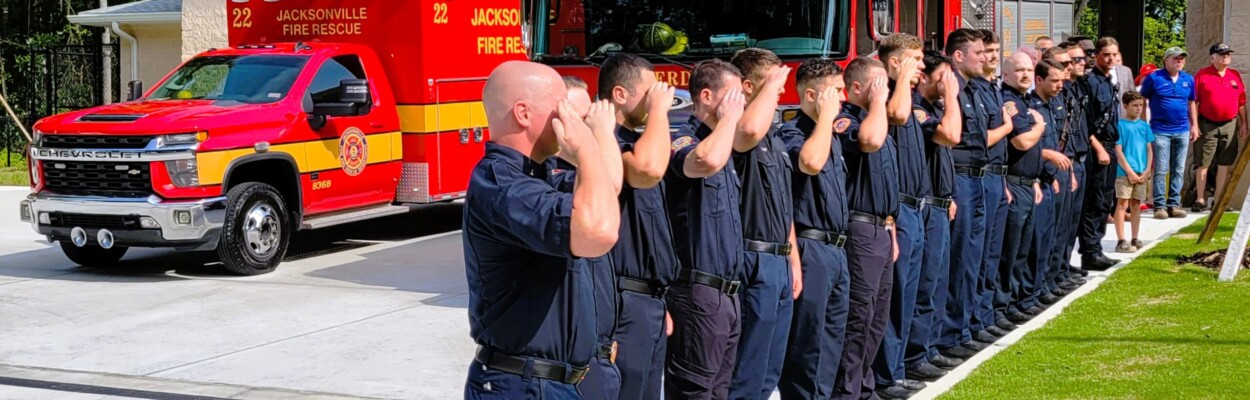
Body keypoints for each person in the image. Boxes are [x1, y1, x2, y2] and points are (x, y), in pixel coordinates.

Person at [463, 61, 620, 400]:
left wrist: (595, 143)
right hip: (523, 384)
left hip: (549, 383)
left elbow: (609, 188)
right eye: (559, 105)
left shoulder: (538, 176)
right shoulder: (501, 184)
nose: (568, 117)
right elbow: (598, 231)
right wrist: (588, 147)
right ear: (523, 113)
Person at [595, 53, 679, 400]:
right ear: (619, 94)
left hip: (650, 300)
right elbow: (647, 169)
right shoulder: (606, 140)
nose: (657, 97)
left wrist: (661, 301)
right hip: (622, 300)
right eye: (649, 92)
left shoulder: (639, 140)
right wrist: (660, 109)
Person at [664, 58, 747, 400]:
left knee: (719, 392)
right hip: (697, 292)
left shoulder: (722, 143)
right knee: (694, 391)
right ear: (708, 96)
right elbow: (703, 162)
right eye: (734, 96)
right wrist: (728, 121)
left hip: (727, 294)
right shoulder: (681, 135)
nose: (741, 105)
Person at [728, 48, 801, 400]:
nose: (782, 91)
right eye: (773, 83)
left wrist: (793, 260)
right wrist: (771, 85)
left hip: (779, 258)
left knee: (770, 366)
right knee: (748, 365)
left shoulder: (775, 136)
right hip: (752, 257)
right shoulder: (741, 130)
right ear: (747, 86)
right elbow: (748, 130)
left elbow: (783, 205)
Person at [548, 76, 627, 400]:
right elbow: (611, 184)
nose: (587, 129)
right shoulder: (553, 174)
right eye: (580, 121)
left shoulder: (583, 170)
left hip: (601, 345)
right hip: (574, 359)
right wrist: (602, 135)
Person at [778, 58, 851, 400]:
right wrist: (824, 119)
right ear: (812, 95)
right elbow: (809, 162)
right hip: (811, 247)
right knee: (808, 344)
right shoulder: (793, 132)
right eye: (836, 91)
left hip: (836, 249)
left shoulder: (829, 134)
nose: (844, 97)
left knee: (832, 340)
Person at [870, 33, 930, 400]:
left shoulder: (908, 94)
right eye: (914, 60)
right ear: (894, 62)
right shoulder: (887, 96)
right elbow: (898, 114)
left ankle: (901, 364)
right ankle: (887, 373)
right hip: (897, 209)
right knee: (894, 295)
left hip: (915, 204)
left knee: (910, 290)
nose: (921, 67)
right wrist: (901, 78)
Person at [831, 57, 894, 400]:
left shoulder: (878, 117)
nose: (885, 92)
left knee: (877, 316)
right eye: (878, 85)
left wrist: (892, 229)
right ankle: (846, 390)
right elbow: (868, 141)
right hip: (860, 228)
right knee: (858, 315)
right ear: (856, 88)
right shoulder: (846, 120)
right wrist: (878, 103)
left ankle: (864, 388)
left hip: (881, 227)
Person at [903, 50, 962, 383]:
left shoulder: (935, 109)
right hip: (924, 205)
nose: (949, 83)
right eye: (943, 76)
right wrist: (952, 98)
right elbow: (950, 136)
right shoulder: (919, 111)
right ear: (925, 77)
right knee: (923, 285)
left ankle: (927, 347)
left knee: (937, 282)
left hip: (940, 201)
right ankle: (913, 355)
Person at [937, 28, 990, 366]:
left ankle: (964, 326)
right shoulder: (950, 90)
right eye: (979, 53)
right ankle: (948, 334)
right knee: (956, 260)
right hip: (958, 178)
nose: (984, 59)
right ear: (959, 56)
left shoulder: (975, 90)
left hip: (978, 178)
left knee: (972, 258)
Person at [994, 54, 1048, 325]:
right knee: (1009, 250)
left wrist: (1036, 180)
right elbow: (1022, 142)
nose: (1026, 74)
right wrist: (1040, 125)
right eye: (1019, 70)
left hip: (1028, 184)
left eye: (1029, 69)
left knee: (1021, 250)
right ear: (1005, 74)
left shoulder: (1026, 100)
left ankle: (1014, 300)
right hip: (1013, 184)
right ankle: (1001, 306)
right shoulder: (1010, 102)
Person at [971, 29, 1014, 354]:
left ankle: (985, 315)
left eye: (996, 50)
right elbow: (982, 138)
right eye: (987, 51)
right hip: (980, 176)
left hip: (997, 177)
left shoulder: (991, 88)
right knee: (976, 254)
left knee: (991, 254)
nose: (992, 56)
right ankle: (974, 320)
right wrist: (1007, 128)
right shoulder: (974, 89)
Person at [1077, 37, 1123, 272]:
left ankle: (1097, 249)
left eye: (1114, 55)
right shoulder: (1090, 82)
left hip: (1109, 144)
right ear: (1097, 55)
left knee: (1105, 201)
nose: (1111, 59)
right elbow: (1085, 123)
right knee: (1094, 201)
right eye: (1106, 54)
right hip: (1097, 147)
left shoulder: (1109, 81)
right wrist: (1098, 148)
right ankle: (1090, 252)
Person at [1137, 47, 1195, 219]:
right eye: (1176, 58)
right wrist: (1142, 124)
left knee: (1178, 169)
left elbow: (1191, 102)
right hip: (1160, 130)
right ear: (1166, 60)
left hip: (1182, 129)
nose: (1179, 61)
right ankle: (1159, 205)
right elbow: (1142, 99)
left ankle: (1174, 204)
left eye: (1182, 59)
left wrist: (1195, 125)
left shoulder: (1188, 79)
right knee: (1161, 169)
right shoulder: (1154, 78)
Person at [1192, 43, 1248, 212]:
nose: (1226, 57)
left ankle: (1218, 200)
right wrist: (1193, 124)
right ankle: (1200, 200)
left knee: (1225, 163)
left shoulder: (1234, 75)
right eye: (1222, 54)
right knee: (1203, 162)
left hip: (1230, 124)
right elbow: (1193, 102)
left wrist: (1244, 123)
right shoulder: (1202, 75)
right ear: (1212, 58)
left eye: (1228, 54)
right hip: (1207, 124)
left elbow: (1241, 102)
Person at [1114, 91, 1153, 253]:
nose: (1138, 109)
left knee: (1136, 204)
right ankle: (1121, 239)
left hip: (1141, 172)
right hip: (1124, 173)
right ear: (1125, 106)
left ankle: (1135, 237)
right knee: (1122, 204)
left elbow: (1149, 149)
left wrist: (1147, 170)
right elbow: (1118, 150)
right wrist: (1129, 171)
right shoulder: (1120, 125)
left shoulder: (1144, 126)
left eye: (1141, 106)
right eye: (1135, 106)